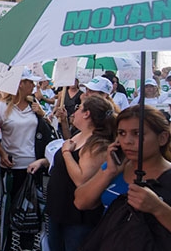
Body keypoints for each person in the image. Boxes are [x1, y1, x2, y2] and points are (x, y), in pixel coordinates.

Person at [74, 105, 171, 251]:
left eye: (138, 133)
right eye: (121, 133)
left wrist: (159, 209)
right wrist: (108, 172)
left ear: (162, 138)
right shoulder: (113, 169)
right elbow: (81, 202)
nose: (127, 141)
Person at [29, 95, 116, 251]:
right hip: (59, 209)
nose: (74, 112)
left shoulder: (97, 144)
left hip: (76, 217)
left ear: (87, 114)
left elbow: (81, 180)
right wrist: (43, 161)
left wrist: (66, 153)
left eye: (79, 108)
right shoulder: (79, 134)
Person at [0, 67, 48, 251]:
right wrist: (1, 153)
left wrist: (42, 115)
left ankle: (27, 247)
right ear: (20, 84)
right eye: (30, 82)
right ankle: (5, 247)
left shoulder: (36, 106)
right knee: (8, 210)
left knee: (31, 212)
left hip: (33, 167)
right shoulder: (0, 107)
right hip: (11, 167)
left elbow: (46, 133)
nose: (34, 85)